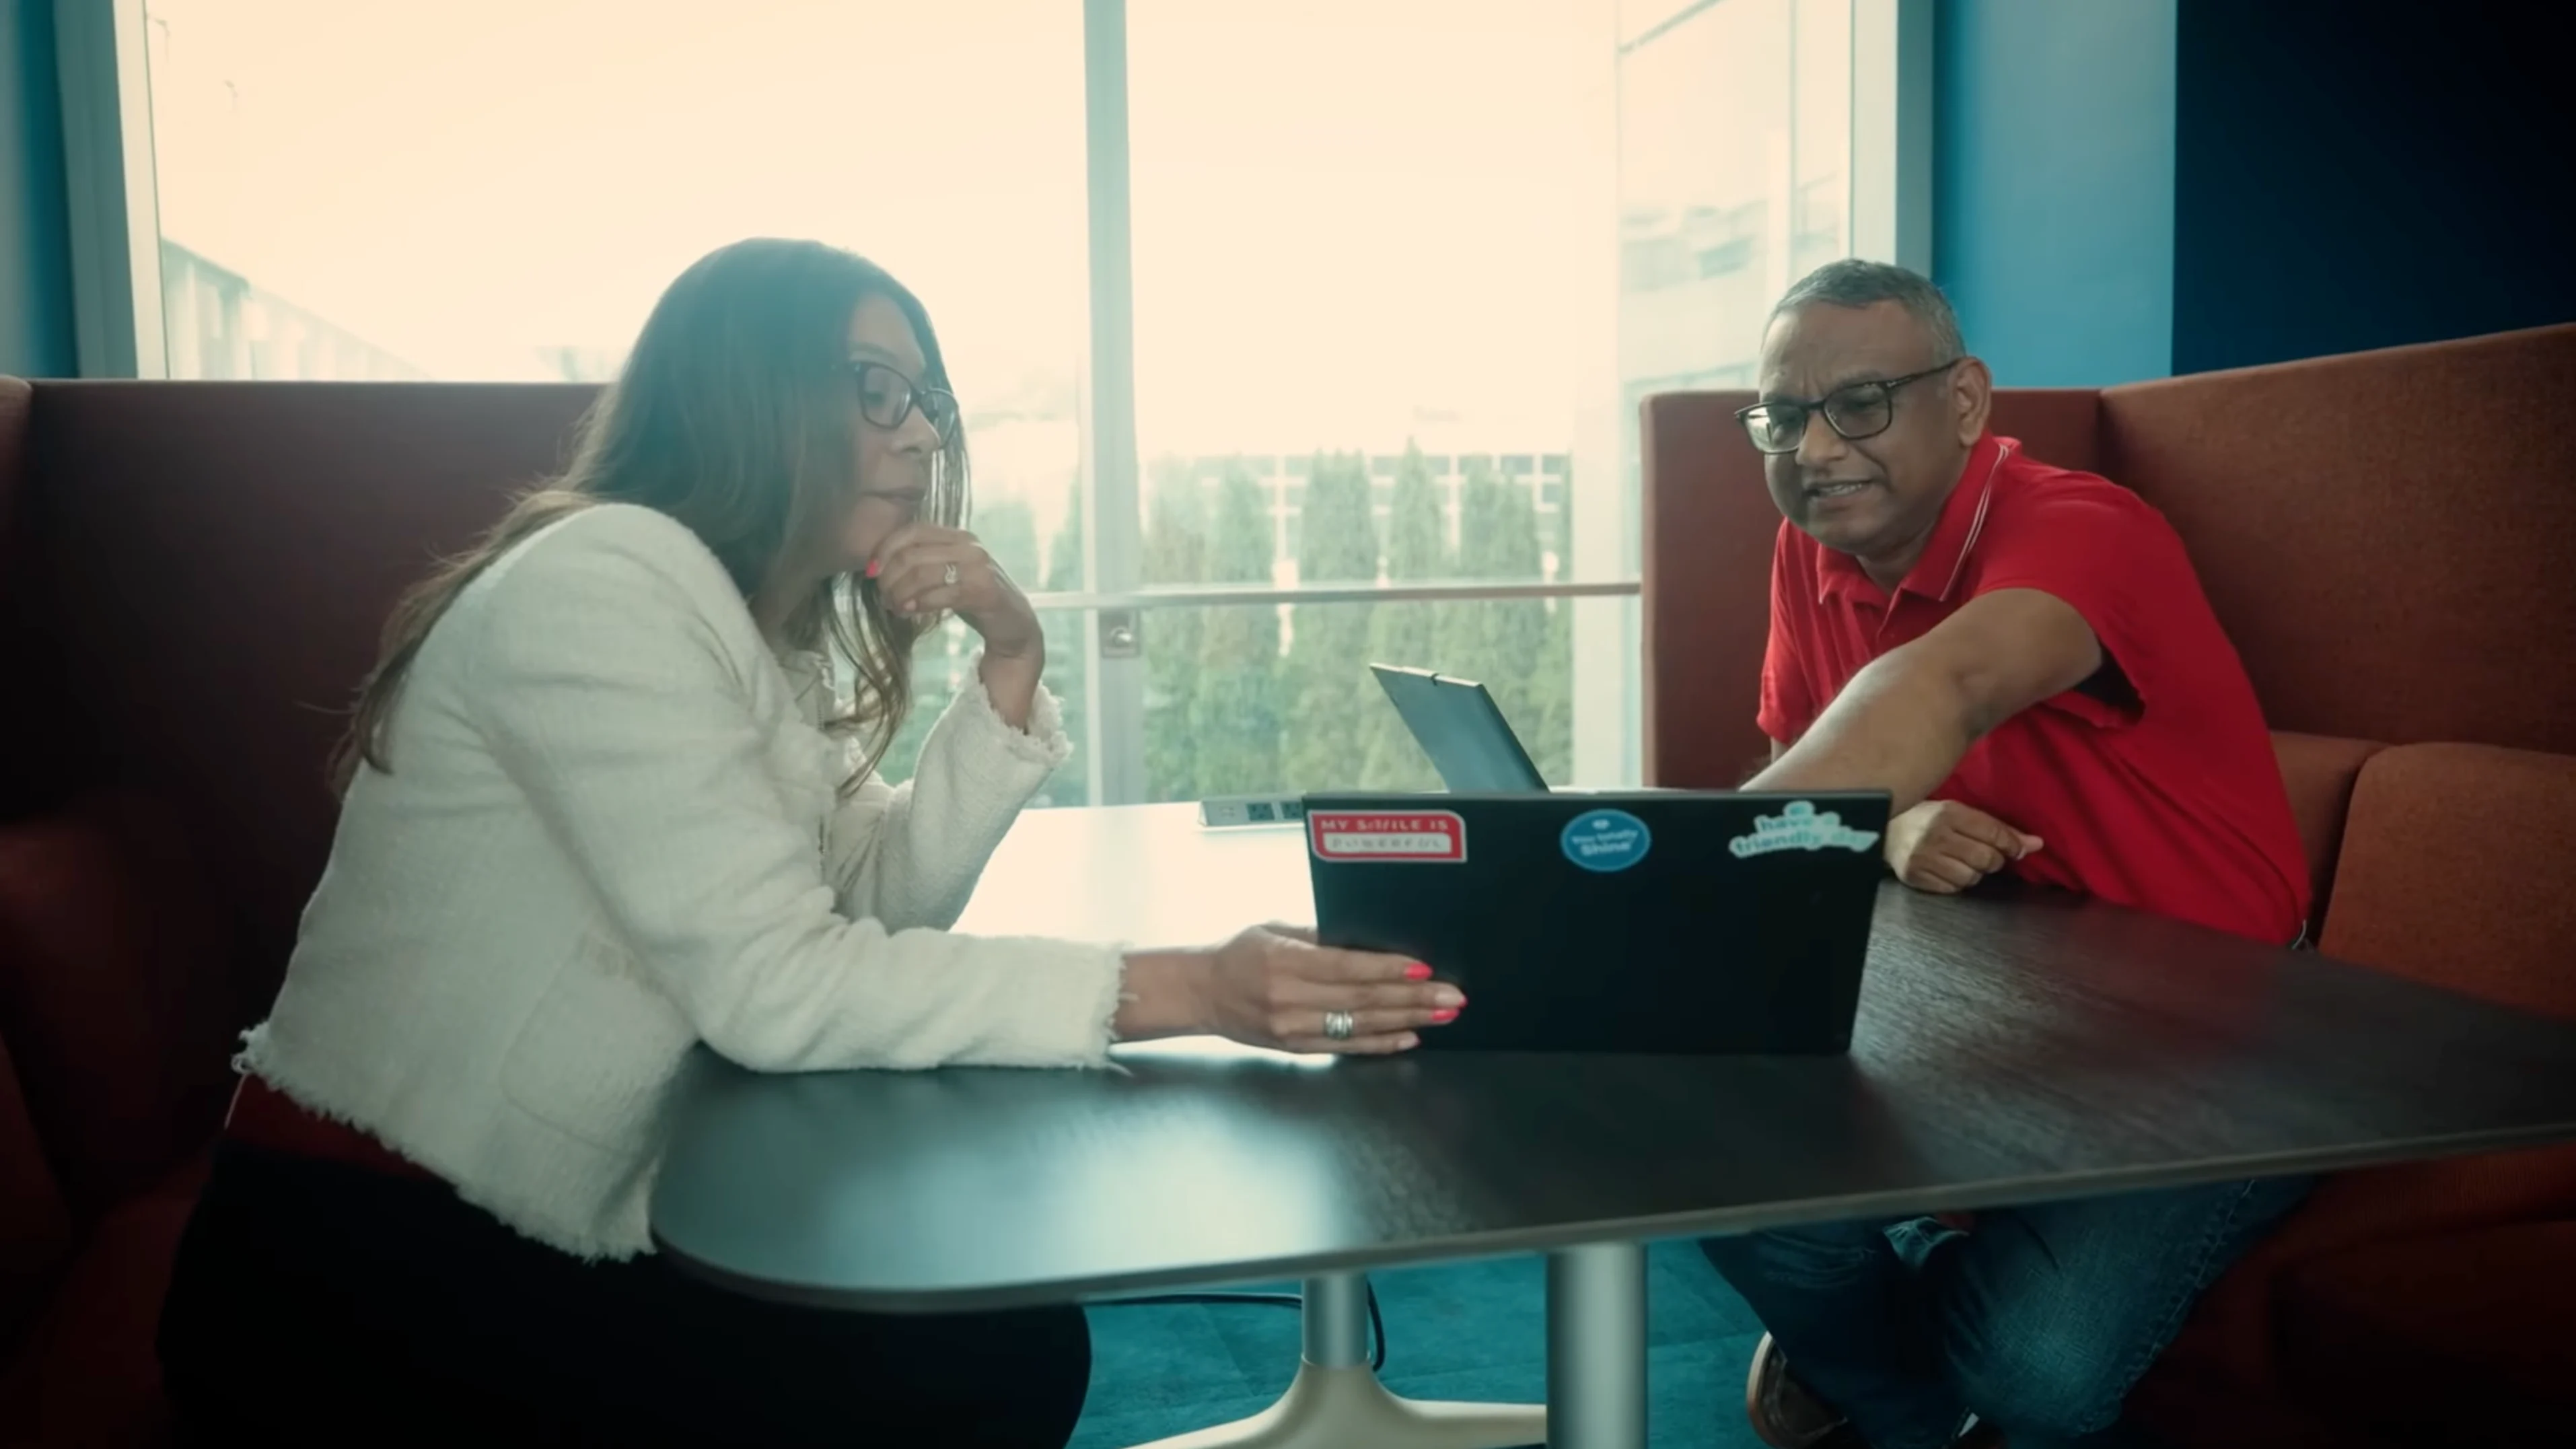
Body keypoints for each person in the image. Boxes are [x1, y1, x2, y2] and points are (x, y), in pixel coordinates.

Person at [154, 238, 1466, 1448]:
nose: (917, 436)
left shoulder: (743, 628)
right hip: (363, 1257)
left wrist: (1011, 661)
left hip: (531, 1219)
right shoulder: (603, 581)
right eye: (875, 389)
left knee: (997, 1341)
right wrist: (1189, 986)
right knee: (983, 1362)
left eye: (927, 401)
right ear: (749, 392)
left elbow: (875, 906)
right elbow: (783, 988)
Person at [1705, 260, 2316, 1449]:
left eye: (1863, 403)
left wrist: (1675, 893)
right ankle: (1926, 1396)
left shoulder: (2089, 528)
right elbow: (1801, 759)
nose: (1817, 449)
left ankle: (1903, 1332)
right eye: (1784, 417)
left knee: (2039, 1372)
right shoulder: (1810, 546)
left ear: (1970, 401)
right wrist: (1888, 826)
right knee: (1714, 1170)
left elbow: (1946, 683)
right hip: (1982, 990)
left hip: (2227, 1046)